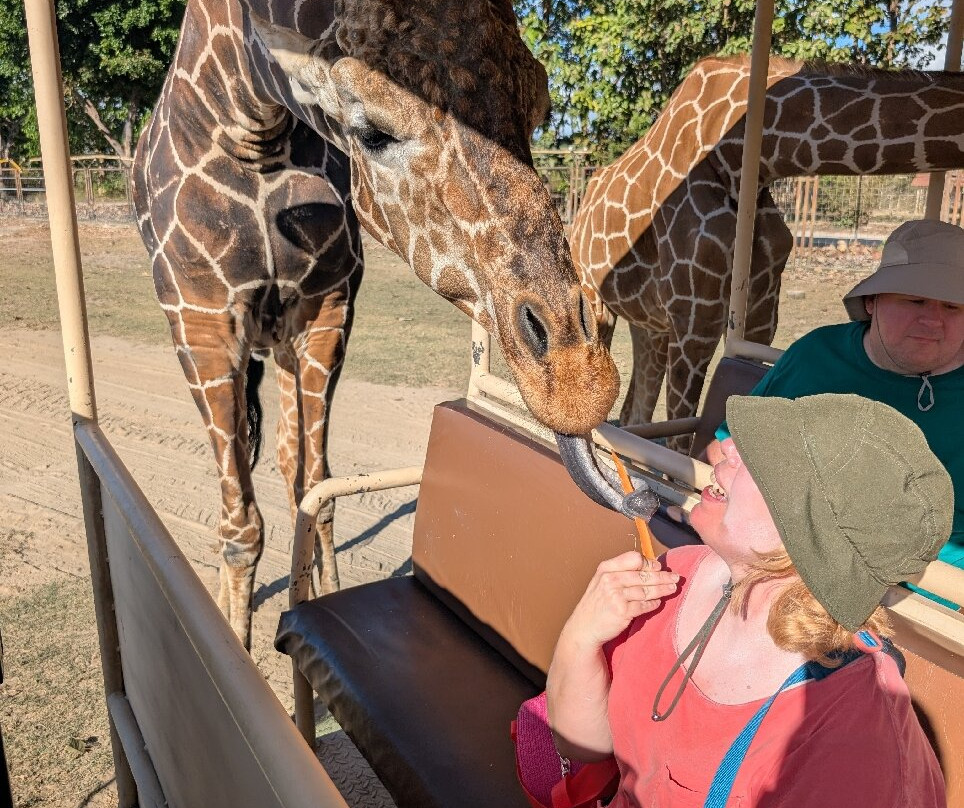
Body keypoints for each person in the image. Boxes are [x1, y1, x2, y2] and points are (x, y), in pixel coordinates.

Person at [548, 394, 951, 807]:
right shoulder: (674, 574)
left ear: (810, 534)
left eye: (769, 459)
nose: (727, 445)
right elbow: (586, 746)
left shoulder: (859, 742)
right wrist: (582, 636)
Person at [707, 219, 964, 603]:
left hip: (932, 599)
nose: (933, 320)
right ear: (873, 302)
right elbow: (725, 449)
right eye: (915, 300)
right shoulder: (815, 355)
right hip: (792, 569)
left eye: (953, 306)